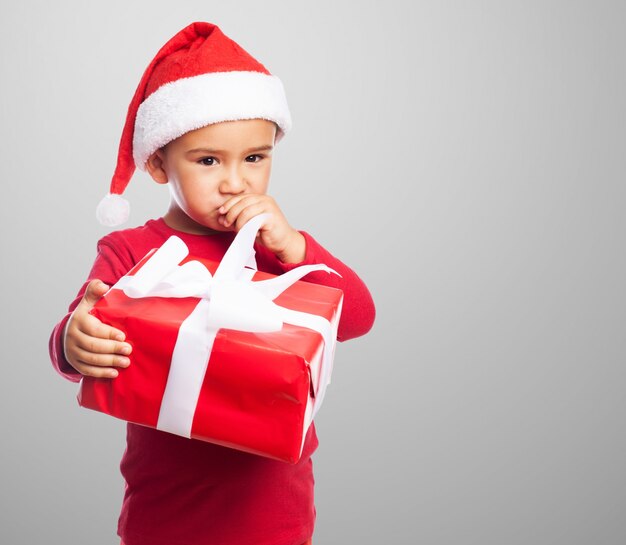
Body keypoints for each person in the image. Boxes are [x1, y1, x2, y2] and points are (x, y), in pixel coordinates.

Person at [49, 22, 375, 545]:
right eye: (207, 161)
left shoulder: (279, 247)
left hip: (273, 511)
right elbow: (77, 339)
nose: (235, 182)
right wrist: (73, 339)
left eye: (255, 158)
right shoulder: (131, 251)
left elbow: (357, 318)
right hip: (165, 508)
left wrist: (295, 247)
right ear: (158, 163)